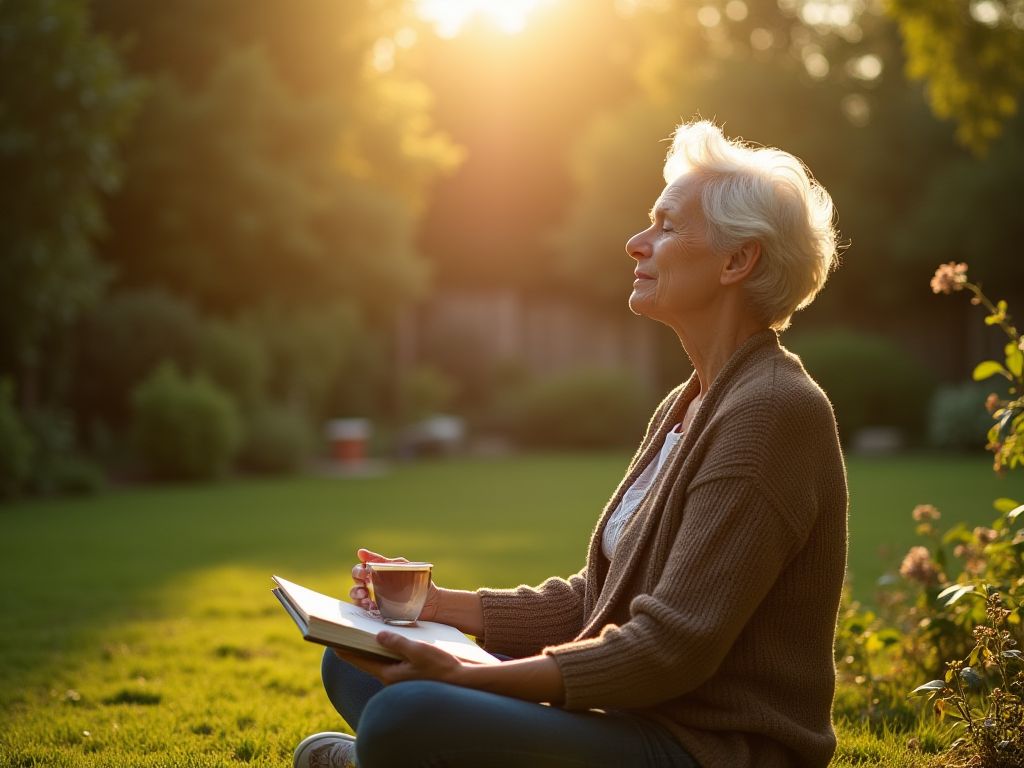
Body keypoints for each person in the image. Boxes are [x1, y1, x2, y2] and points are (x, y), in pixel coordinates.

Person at [293, 119, 847, 768]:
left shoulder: (772, 413)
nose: (636, 243)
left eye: (667, 227)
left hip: (707, 749)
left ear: (737, 260)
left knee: (404, 710)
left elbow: (667, 649)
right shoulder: (688, 402)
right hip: (627, 719)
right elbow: (596, 601)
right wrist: (439, 607)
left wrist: (465, 679)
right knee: (356, 660)